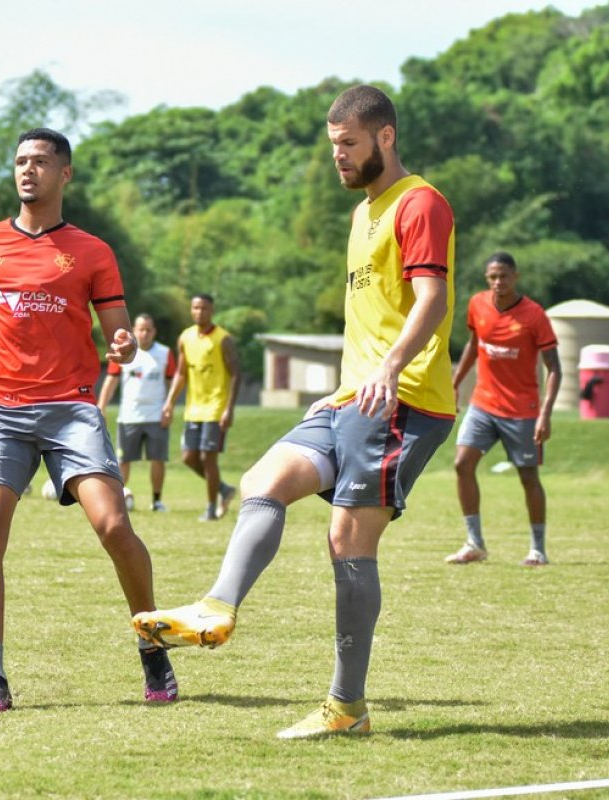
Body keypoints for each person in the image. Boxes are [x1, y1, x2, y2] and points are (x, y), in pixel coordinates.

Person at [132, 85, 456, 739]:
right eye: (333, 145)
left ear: (385, 138)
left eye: (349, 145)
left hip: (404, 398)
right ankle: (214, 609)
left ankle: (346, 709)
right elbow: (372, 317)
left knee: (348, 542)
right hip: (352, 398)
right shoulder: (363, 214)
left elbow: (433, 300)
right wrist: (343, 384)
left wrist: (388, 371)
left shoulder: (419, 203)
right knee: (261, 482)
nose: (338, 157)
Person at [0, 127, 177, 715]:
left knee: (114, 525)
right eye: (20, 161)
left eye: (40, 161)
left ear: (65, 173)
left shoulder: (92, 251)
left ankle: (151, 644)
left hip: (71, 408)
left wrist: (121, 347)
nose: (27, 170)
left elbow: (120, 334)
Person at [445, 252, 561, 567]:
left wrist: (545, 414)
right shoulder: (477, 304)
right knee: (461, 464)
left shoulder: (534, 315)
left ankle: (537, 549)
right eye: (493, 277)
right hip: (483, 404)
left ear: (515, 276)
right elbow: (473, 344)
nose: (498, 282)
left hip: (522, 411)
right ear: (487, 279)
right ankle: (474, 543)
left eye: (504, 276)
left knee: (528, 476)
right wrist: (455, 383)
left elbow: (554, 368)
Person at [162, 294, 241, 521]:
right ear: (191, 310)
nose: (199, 312)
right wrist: (169, 402)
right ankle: (224, 489)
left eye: (204, 308)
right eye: (195, 308)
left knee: (208, 457)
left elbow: (236, 374)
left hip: (216, 408)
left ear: (212, 310)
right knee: (188, 458)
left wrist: (229, 408)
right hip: (193, 409)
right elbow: (180, 373)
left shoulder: (223, 339)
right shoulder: (185, 338)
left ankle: (210, 508)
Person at [97, 313, 177, 513]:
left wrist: (169, 407)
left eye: (148, 330)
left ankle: (157, 500)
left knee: (157, 459)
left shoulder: (165, 353)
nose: (145, 333)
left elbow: (171, 383)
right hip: (129, 415)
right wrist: (101, 406)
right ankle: (118, 499)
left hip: (155, 416)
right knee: (124, 460)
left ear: (154, 332)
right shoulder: (125, 352)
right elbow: (111, 380)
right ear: (134, 330)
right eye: (141, 329)